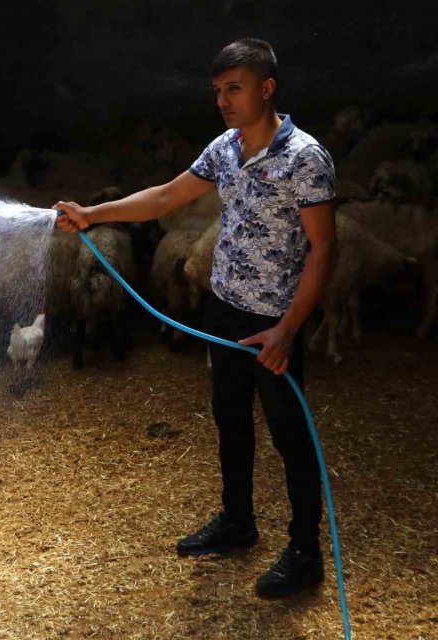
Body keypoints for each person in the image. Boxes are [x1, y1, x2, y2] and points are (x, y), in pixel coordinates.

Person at [54, 38, 337, 598]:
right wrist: (92, 214)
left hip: (273, 322)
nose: (224, 101)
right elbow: (164, 198)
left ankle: (306, 552)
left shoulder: (306, 158)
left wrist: (287, 330)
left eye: (234, 89)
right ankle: (238, 521)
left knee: (290, 435)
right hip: (224, 309)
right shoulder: (226, 148)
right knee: (229, 417)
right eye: (217, 91)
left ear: (266, 88)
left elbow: (325, 250)